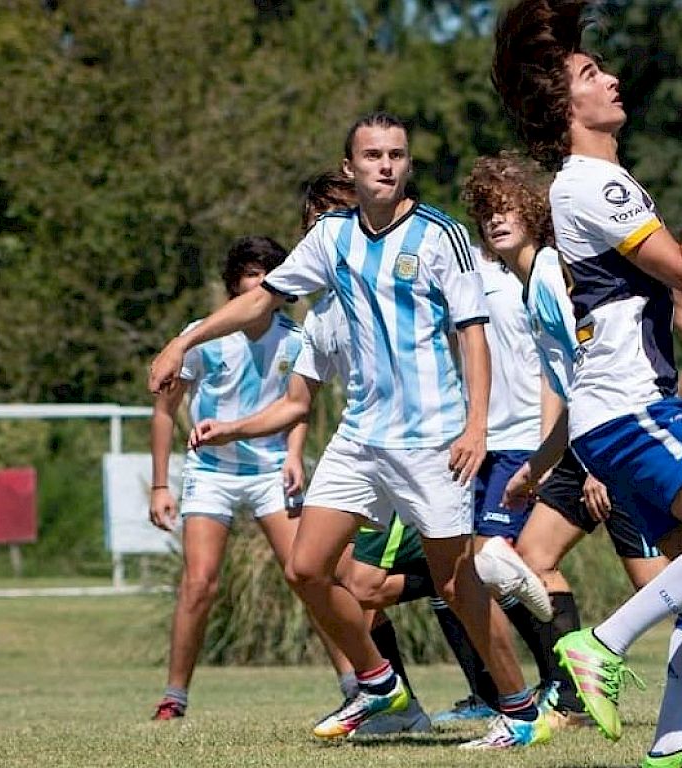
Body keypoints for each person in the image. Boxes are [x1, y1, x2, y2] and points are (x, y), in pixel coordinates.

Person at [149, 112, 551, 750]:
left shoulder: (440, 234)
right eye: (372, 155)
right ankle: (379, 684)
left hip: (432, 438)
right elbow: (263, 299)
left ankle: (520, 709)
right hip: (361, 437)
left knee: (456, 583)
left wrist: (475, 425)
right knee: (306, 568)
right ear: (350, 168)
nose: (385, 165)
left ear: (407, 165)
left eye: (396, 154)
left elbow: (472, 334)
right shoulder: (331, 236)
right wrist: (185, 339)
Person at [492, 5, 682, 760]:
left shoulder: (595, 184)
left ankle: (671, 743)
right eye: (592, 75)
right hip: (631, 407)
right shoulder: (596, 186)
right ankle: (602, 642)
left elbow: (679, 299)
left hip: (612, 415)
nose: (612, 79)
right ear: (568, 107)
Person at [147, 235, 313, 721]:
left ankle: (359, 686)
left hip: (269, 471)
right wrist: (161, 484)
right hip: (212, 472)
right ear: (234, 285)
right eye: (250, 277)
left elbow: (300, 407)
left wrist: (295, 456)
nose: (259, 286)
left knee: (309, 577)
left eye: (268, 277)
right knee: (199, 582)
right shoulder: (202, 337)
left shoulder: (295, 340)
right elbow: (164, 409)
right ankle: (174, 698)